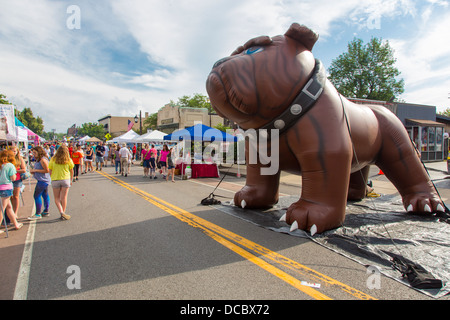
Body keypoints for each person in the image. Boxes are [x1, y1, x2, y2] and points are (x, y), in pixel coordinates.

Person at [0, 149, 23, 232]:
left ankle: (16, 224)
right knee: (2, 208)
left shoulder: (1, 165)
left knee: (9, 207)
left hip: (1, 187)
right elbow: (13, 178)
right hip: (7, 187)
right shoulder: (10, 165)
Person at [48, 145, 73, 221]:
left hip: (55, 179)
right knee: (64, 197)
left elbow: (50, 170)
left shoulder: (53, 159)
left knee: (57, 198)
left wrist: (52, 177)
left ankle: (61, 211)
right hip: (65, 179)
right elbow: (71, 171)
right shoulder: (68, 159)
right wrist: (71, 179)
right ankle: (63, 212)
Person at [28, 146, 51, 220]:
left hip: (42, 180)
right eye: (33, 152)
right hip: (43, 180)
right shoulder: (40, 159)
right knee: (45, 195)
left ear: (39, 152)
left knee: (36, 196)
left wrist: (35, 170)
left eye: (35, 152)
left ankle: (38, 213)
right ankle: (46, 210)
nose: (33, 154)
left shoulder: (42, 160)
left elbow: (47, 170)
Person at [11, 146, 27, 217]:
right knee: (11, 197)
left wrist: (14, 171)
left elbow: (24, 170)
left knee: (16, 196)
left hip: (17, 179)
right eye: (12, 151)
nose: (13, 152)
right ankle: (11, 212)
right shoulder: (8, 159)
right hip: (9, 180)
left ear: (17, 152)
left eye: (15, 151)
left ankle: (15, 212)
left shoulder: (20, 159)